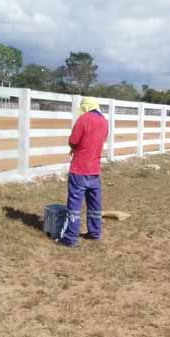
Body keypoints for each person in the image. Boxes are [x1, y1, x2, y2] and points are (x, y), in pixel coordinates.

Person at [60, 97, 109, 247]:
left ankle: (70, 238)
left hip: (79, 168)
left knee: (75, 204)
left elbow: (73, 140)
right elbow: (103, 139)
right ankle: (95, 233)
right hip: (94, 169)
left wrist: (75, 147)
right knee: (94, 204)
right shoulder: (104, 122)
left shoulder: (84, 119)